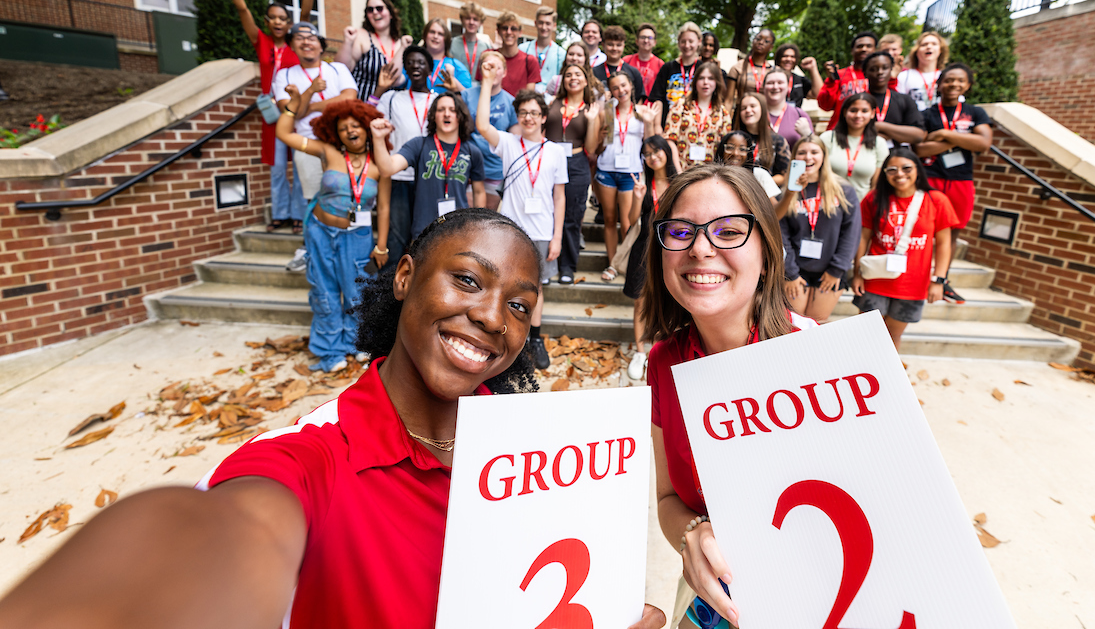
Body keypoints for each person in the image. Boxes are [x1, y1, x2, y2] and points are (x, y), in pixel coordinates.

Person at [0, 209, 667, 629]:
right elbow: (220, 535)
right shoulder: (309, 459)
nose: (494, 316)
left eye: (520, 306)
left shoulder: (544, 460)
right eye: (468, 280)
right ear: (405, 276)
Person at [643, 165, 817, 629]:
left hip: (815, 589)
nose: (701, 248)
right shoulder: (662, 364)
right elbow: (666, 498)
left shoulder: (813, 354)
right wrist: (690, 534)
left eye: (728, 231)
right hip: (716, 596)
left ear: (767, 251)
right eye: (680, 231)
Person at [274, 91, 388, 372]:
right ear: (335, 133)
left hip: (358, 237)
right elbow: (284, 134)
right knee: (324, 291)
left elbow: (383, 208)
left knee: (356, 294)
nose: (350, 130)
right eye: (343, 128)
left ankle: (358, 344)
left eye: (355, 125)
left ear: (366, 126)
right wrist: (294, 103)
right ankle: (330, 350)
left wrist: (382, 246)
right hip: (321, 231)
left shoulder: (380, 163)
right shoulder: (327, 151)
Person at [474, 64, 568, 369]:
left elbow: (559, 196)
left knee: (537, 289)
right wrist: (488, 82)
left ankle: (534, 338)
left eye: (534, 112)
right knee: (507, 286)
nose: (528, 117)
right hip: (511, 232)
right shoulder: (508, 143)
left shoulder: (555, 151)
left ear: (543, 117)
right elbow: (482, 125)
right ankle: (510, 340)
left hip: (542, 232)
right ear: (518, 117)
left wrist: (556, 237)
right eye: (523, 112)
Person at [206, 0, 303, 234]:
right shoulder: (260, 42)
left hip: (296, 111)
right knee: (276, 167)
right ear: (266, 21)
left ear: (290, 23)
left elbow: (308, 10)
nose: (277, 22)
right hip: (271, 114)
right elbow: (241, 7)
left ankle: (298, 213)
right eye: (272, 18)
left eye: (283, 18)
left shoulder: (296, 46)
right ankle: (281, 213)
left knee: (298, 164)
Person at [271, 22, 358, 271]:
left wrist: (308, 105)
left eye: (311, 37)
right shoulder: (285, 75)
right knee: (313, 198)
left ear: (321, 45)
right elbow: (290, 113)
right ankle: (311, 248)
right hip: (307, 143)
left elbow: (349, 98)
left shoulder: (337, 68)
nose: (306, 42)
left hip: (340, 143)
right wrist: (310, 91)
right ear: (292, 46)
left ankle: (342, 245)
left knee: (344, 195)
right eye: (299, 38)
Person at [851, 148, 957, 350]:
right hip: (875, 278)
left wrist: (939, 280)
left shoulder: (936, 200)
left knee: (892, 337)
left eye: (906, 168)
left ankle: (886, 379)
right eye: (892, 169)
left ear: (918, 169)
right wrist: (856, 273)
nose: (899, 174)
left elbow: (944, 244)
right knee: (865, 335)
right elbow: (862, 237)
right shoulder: (874, 198)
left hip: (913, 283)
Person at [914, 63, 993, 305]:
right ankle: (919, 276)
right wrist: (962, 140)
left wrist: (944, 135)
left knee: (953, 231)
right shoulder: (927, 114)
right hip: (930, 178)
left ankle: (942, 279)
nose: (953, 85)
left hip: (961, 181)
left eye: (960, 81)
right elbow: (919, 148)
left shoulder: (975, 112)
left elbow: (983, 144)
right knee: (924, 230)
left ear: (967, 84)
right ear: (939, 84)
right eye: (948, 80)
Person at [371, 92, 486, 240]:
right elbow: (387, 169)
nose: (446, 114)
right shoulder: (419, 144)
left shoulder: (472, 151)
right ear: (433, 116)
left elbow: (478, 192)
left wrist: (478, 227)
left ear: (460, 116)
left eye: (452, 110)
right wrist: (378, 139)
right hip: (424, 232)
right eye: (441, 109)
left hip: (458, 231)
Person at [778, 134, 860, 323]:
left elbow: (851, 233)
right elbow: (782, 234)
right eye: (802, 152)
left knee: (817, 325)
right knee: (792, 326)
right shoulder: (788, 191)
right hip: (795, 269)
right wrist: (789, 272)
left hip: (829, 269)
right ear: (794, 157)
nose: (808, 157)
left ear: (824, 156)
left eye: (814, 152)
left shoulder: (843, 190)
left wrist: (837, 269)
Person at [587, 71, 657, 281]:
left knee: (628, 222)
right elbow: (594, 146)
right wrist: (594, 125)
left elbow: (652, 145)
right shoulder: (606, 111)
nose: (621, 91)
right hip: (607, 170)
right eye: (616, 87)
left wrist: (650, 122)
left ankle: (626, 263)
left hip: (632, 173)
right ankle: (612, 264)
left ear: (631, 86)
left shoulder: (641, 112)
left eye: (624, 85)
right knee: (609, 220)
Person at [374, 45, 437, 264]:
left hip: (429, 180)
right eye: (410, 62)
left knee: (427, 238)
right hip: (399, 177)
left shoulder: (439, 102)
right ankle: (389, 290)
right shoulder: (392, 98)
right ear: (405, 69)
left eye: (421, 62)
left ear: (430, 68)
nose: (415, 66)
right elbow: (367, 117)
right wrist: (379, 90)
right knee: (397, 236)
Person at [622, 135, 676, 380]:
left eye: (657, 152)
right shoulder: (644, 183)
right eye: (647, 154)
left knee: (668, 299)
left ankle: (662, 349)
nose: (652, 157)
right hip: (644, 248)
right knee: (640, 302)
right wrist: (637, 196)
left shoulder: (679, 182)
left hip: (673, 248)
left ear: (666, 152)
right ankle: (640, 352)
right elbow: (633, 220)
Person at [545, 61, 598, 284]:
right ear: (562, 81)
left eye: (578, 74)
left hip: (577, 163)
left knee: (572, 218)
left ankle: (567, 265)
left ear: (586, 81)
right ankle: (547, 264)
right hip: (549, 161)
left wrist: (593, 121)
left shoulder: (591, 108)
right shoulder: (551, 103)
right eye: (568, 75)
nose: (573, 78)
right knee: (547, 214)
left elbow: (593, 148)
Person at [459, 49, 518, 211]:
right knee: (469, 219)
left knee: (487, 220)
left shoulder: (511, 102)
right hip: (468, 168)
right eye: (488, 66)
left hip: (495, 169)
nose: (493, 71)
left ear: (504, 72)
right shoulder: (466, 96)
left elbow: (514, 139)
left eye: (497, 68)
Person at [335, 0, 411, 104]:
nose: (375, 12)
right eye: (370, 10)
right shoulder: (362, 36)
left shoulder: (401, 43)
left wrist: (403, 47)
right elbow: (342, 69)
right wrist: (347, 41)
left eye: (379, 8)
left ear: (391, 14)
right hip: (361, 105)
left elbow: (394, 79)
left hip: (389, 109)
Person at [819, 93, 890, 199]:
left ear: (872, 114)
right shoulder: (828, 138)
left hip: (862, 206)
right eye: (853, 110)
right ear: (844, 112)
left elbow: (876, 185)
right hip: (830, 203)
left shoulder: (879, 144)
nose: (858, 115)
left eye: (864, 111)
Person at [663, 61, 731, 170]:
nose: (705, 82)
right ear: (695, 82)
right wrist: (677, 171)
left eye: (711, 78)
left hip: (709, 173)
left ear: (717, 82)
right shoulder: (680, 105)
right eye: (701, 78)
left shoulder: (723, 113)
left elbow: (725, 148)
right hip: (682, 170)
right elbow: (670, 139)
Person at [859, 50, 925, 148]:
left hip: (898, 157)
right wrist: (898, 135)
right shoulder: (857, 101)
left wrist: (880, 127)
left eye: (885, 68)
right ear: (865, 73)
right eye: (873, 69)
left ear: (891, 69)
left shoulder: (904, 100)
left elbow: (918, 135)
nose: (880, 72)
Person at [818, 31, 884, 120]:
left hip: (871, 130)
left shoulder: (881, 76)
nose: (864, 49)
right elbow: (825, 106)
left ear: (875, 50)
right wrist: (831, 80)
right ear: (852, 51)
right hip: (841, 130)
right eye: (859, 46)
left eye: (869, 46)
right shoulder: (839, 75)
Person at [732, 90, 790, 186]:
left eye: (753, 106)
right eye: (743, 108)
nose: (748, 110)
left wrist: (761, 182)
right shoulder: (733, 139)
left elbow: (785, 175)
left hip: (765, 193)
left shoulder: (777, 140)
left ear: (762, 109)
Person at [713, 129, 781, 204]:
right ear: (722, 150)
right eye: (730, 147)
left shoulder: (759, 175)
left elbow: (776, 212)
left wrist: (789, 194)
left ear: (748, 153)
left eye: (742, 149)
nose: (736, 153)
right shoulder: (712, 178)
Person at [650, 21, 703, 114]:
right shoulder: (667, 67)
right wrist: (657, 125)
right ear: (678, 42)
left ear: (699, 41)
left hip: (696, 121)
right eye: (683, 41)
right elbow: (658, 99)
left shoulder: (703, 68)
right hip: (669, 122)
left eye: (691, 41)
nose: (687, 45)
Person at [760, 68, 814, 151]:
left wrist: (807, 134)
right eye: (770, 83)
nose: (775, 86)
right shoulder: (755, 113)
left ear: (788, 86)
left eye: (780, 83)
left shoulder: (800, 115)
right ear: (763, 87)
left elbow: (815, 148)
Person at [896, 31, 949, 112]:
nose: (929, 47)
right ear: (916, 51)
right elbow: (899, 104)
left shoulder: (947, 76)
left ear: (940, 50)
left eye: (934, 44)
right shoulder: (904, 76)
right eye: (924, 44)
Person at [593, 25, 647, 102]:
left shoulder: (634, 72)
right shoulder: (594, 72)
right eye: (610, 44)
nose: (614, 48)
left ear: (623, 46)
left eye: (618, 45)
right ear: (603, 45)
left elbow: (640, 100)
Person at [494, 11, 542, 95]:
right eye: (505, 28)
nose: (509, 32)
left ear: (520, 33)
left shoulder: (530, 61)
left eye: (513, 29)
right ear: (498, 31)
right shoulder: (489, 57)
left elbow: (529, 96)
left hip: (519, 107)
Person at [420, 18, 472, 95]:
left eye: (440, 34)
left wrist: (454, 83)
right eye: (432, 32)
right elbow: (398, 82)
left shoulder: (457, 66)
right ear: (425, 35)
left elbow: (469, 97)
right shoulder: (414, 63)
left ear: (446, 39)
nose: (435, 36)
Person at [520, 6, 566, 92]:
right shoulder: (523, 49)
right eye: (541, 23)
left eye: (548, 23)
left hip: (550, 100)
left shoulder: (561, 54)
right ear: (535, 23)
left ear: (554, 26)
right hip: (526, 97)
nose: (544, 27)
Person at [726, 28, 774, 105]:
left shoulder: (772, 71)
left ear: (771, 47)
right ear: (753, 41)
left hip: (764, 114)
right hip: (741, 112)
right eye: (758, 39)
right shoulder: (737, 67)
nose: (761, 42)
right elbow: (728, 100)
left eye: (766, 41)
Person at [773, 42, 824, 108]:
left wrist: (813, 69)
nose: (789, 59)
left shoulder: (799, 79)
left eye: (792, 57)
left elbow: (818, 94)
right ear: (778, 59)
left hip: (795, 116)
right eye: (785, 56)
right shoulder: (770, 78)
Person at [448, 1, 491, 75]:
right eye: (468, 18)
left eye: (475, 19)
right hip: (455, 85)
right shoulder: (451, 43)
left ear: (481, 23)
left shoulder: (486, 47)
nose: (471, 22)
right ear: (462, 20)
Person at [624, 23, 665, 95]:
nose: (646, 40)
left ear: (654, 42)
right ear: (637, 41)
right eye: (643, 37)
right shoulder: (626, 61)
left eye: (650, 38)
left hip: (651, 105)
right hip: (631, 104)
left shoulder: (660, 64)